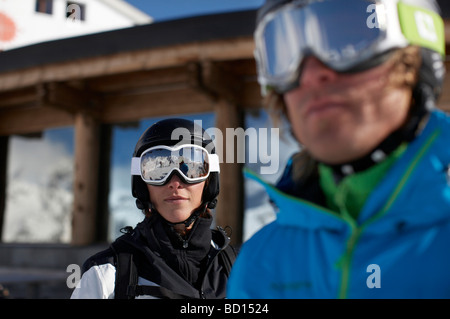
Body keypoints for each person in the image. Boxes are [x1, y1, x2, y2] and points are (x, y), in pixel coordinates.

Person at [227, 0, 450, 298]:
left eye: (348, 40)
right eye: (285, 53)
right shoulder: (261, 261)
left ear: (415, 57)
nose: (311, 74)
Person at [71, 118, 236, 299]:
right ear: (142, 185)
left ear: (209, 182)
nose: (175, 182)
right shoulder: (106, 274)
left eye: (192, 169)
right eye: (159, 170)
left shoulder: (237, 267)